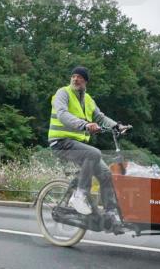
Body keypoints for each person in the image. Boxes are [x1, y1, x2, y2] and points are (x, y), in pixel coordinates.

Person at [48, 66, 129, 227]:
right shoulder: (62, 93)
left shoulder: (89, 100)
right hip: (61, 142)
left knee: (106, 174)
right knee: (94, 153)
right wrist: (85, 125)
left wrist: (117, 126)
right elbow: (63, 114)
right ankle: (80, 195)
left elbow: (100, 117)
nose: (75, 79)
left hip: (77, 145)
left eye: (80, 77)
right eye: (73, 76)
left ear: (85, 82)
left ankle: (109, 214)